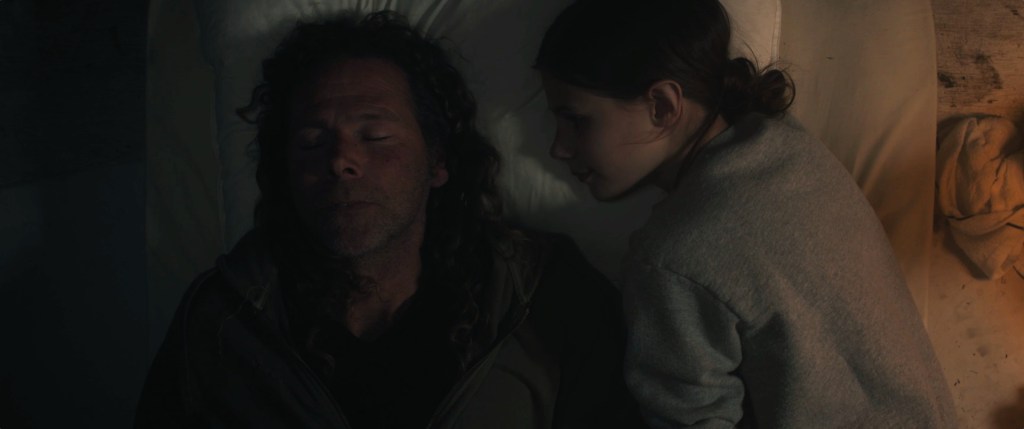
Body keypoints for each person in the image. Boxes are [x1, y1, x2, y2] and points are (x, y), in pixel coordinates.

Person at [135, 11, 643, 428]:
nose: (341, 160)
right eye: (311, 142)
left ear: (437, 161)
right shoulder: (223, 320)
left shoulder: (542, 293)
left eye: (375, 136)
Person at [534, 0, 957, 427]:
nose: (558, 148)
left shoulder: (670, 258)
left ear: (662, 105)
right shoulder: (791, 149)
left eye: (576, 121)